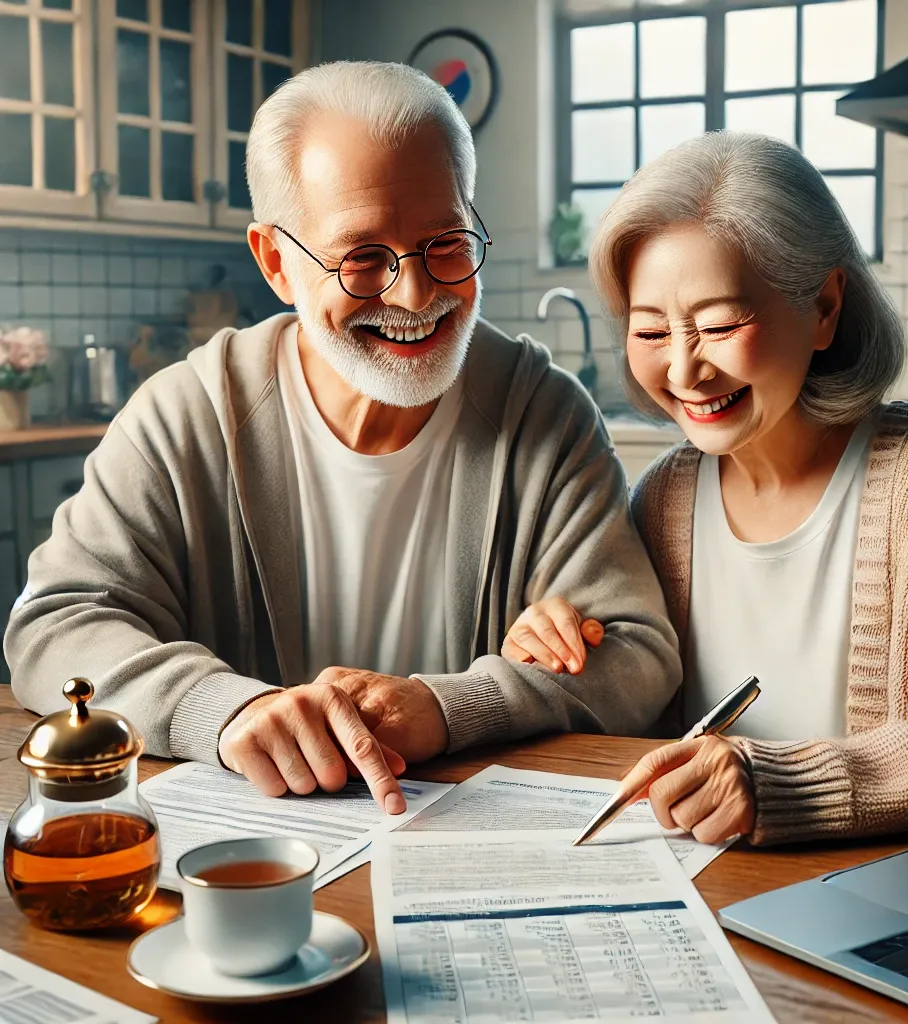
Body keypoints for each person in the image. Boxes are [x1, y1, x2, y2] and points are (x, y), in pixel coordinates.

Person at [4, 61, 681, 813]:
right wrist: (224, 709)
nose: (416, 295)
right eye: (362, 258)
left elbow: (637, 654)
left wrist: (450, 707)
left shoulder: (542, 414)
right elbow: (56, 624)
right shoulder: (185, 416)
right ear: (275, 264)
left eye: (447, 243)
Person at [502, 131, 908, 847]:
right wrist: (563, 653)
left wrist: (783, 786)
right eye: (651, 332)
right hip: (712, 891)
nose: (686, 374)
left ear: (825, 308)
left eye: (720, 325)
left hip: (884, 900)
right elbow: (642, 721)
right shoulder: (662, 499)